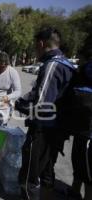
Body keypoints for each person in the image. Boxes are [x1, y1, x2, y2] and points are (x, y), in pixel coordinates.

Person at [15, 27, 77, 200]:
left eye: (36, 47)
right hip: (58, 130)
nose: (36, 51)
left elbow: (41, 104)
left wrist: (18, 105)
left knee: (29, 176)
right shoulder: (67, 63)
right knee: (47, 171)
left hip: (43, 130)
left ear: (41, 44)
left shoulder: (52, 65)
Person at [67, 34, 92, 200]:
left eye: (80, 58)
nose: (78, 60)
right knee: (78, 162)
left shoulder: (88, 69)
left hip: (88, 130)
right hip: (80, 129)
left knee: (88, 169)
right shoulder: (83, 71)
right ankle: (74, 192)